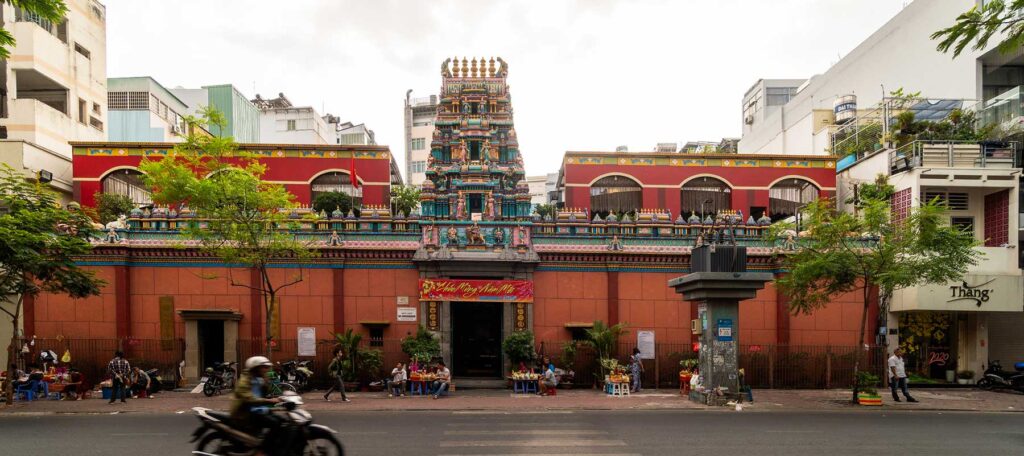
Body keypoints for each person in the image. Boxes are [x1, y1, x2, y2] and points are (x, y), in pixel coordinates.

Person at [230, 356, 285, 454]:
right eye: (263, 367)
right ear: (255, 368)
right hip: (247, 412)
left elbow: (266, 392)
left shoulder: (259, 378)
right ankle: (262, 450)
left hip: (259, 409)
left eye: (266, 367)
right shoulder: (245, 380)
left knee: (283, 421)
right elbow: (249, 399)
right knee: (275, 423)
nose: (266, 369)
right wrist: (270, 401)